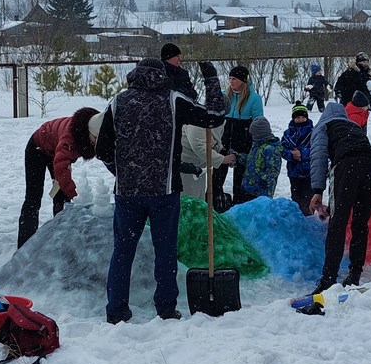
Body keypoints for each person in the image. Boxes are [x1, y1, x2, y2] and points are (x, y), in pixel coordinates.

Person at [95, 58, 225, 324]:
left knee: (122, 251)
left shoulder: (118, 102)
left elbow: (103, 150)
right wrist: (211, 80)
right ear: (162, 75)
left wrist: (122, 172)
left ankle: (116, 310)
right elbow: (214, 116)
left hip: (128, 194)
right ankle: (166, 308)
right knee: (165, 251)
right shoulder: (173, 100)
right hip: (164, 192)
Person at [307, 100, 371, 293]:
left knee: (338, 223)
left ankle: (328, 279)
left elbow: (319, 156)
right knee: (360, 223)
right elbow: (367, 151)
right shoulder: (354, 126)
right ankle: (354, 274)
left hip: (347, 165)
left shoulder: (324, 126)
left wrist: (317, 189)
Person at [17, 106, 99, 248]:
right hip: (37, 148)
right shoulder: (71, 138)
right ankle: (24, 246)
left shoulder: (93, 133)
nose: (97, 141)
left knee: (61, 197)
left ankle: (61, 238)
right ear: (89, 131)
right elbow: (61, 168)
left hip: (55, 150)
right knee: (33, 197)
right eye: (95, 138)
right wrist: (74, 195)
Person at [218, 65, 264, 205]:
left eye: (235, 79)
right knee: (217, 175)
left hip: (244, 142)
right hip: (223, 139)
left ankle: (240, 206)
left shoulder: (254, 98)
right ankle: (215, 202)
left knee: (241, 179)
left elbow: (258, 122)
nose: (231, 82)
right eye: (230, 78)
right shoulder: (224, 95)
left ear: (243, 81)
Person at [280, 103, 314, 214]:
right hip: (293, 171)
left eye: (303, 117)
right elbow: (281, 149)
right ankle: (298, 217)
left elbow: (317, 150)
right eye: (298, 117)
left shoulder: (313, 133)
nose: (300, 120)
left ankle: (309, 216)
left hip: (309, 171)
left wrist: (302, 154)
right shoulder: (288, 133)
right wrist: (291, 154)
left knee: (309, 197)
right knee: (296, 196)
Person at [240, 116, 283, 199]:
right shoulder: (256, 145)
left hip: (262, 191)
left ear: (259, 134)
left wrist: (262, 181)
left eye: (253, 134)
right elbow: (252, 161)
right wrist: (239, 157)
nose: (251, 136)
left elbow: (273, 170)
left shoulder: (271, 149)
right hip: (250, 188)